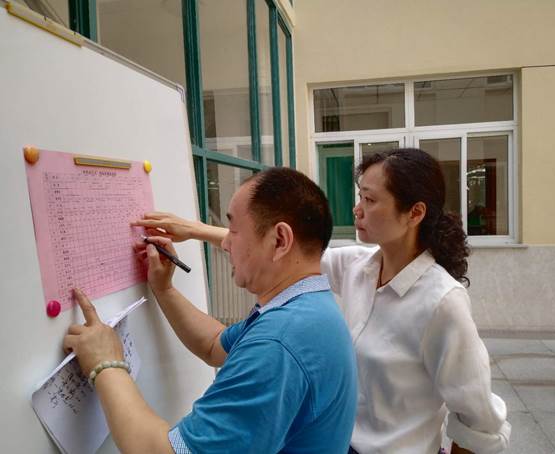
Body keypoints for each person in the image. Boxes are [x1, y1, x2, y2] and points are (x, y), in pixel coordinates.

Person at [137, 148, 511, 454]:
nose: (357, 209)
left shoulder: (442, 302)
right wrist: (194, 230)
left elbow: (479, 419)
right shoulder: (358, 266)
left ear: (415, 213)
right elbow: (279, 247)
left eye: (370, 199)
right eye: (359, 196)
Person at [63, 167, 358, 454]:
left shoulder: (279, 341)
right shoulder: (310, 308)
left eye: (234, 230)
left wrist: (106, 364)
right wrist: (164, 289)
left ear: (280, 240)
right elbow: (214, 344)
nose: (225, 244)